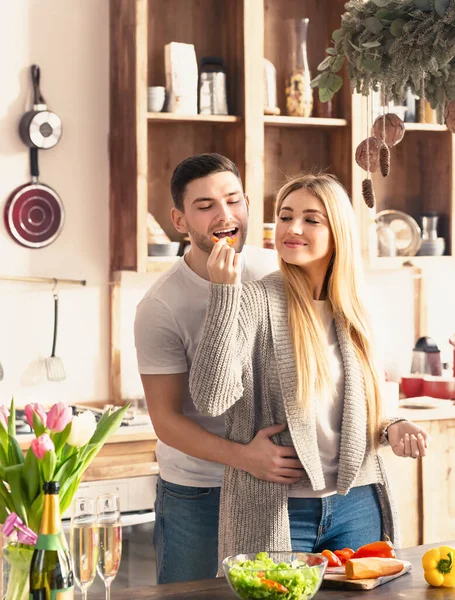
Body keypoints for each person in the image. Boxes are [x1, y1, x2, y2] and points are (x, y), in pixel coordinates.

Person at [189, 173, 431, 566]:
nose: (292, 229)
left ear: (337, 232)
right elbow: (212, 398)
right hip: (280, 508)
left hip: (358, 504)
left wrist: (394, 426)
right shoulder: (253, 299)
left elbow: (372, 404)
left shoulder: (358, 308)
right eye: (285, 216)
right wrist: (223, 293)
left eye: (311, 219)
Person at [134, 153, 306, 584]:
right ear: (180, 220)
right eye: (205, 205)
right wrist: (246, 458)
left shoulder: (277, 271)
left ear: (248, 204)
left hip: (274, 485)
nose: (225, 215)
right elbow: (167, 421)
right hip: (198, 493)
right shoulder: (160, 307)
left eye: (233, 200)